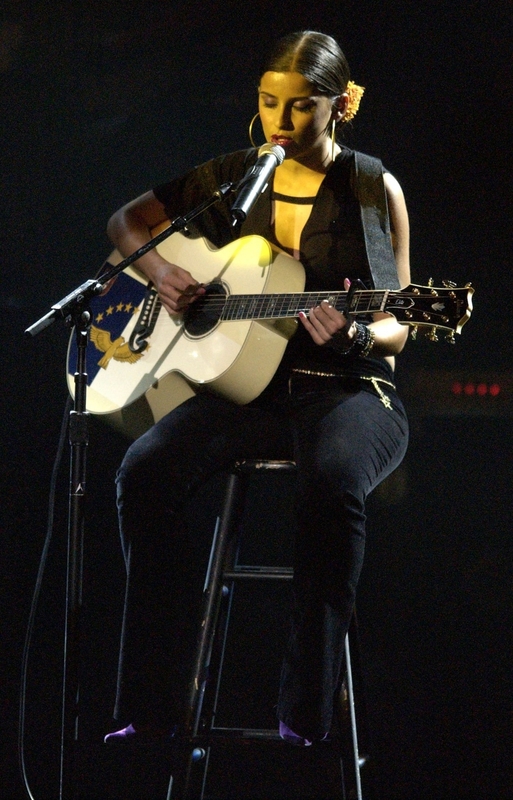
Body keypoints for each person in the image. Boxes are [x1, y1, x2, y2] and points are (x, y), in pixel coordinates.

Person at [104, 30, 410, 747]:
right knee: (143, 472)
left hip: (350, 390)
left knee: (330, 482)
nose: (280, 119)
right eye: (269, 102)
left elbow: (400, 324)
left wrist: (360, 334)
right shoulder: (237, 175)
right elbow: (126, 222)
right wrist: (167, 279)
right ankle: (151, 706)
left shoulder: (372, 186)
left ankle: (303, 708)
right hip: (253, 391)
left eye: (300, 107)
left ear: (342, 105)